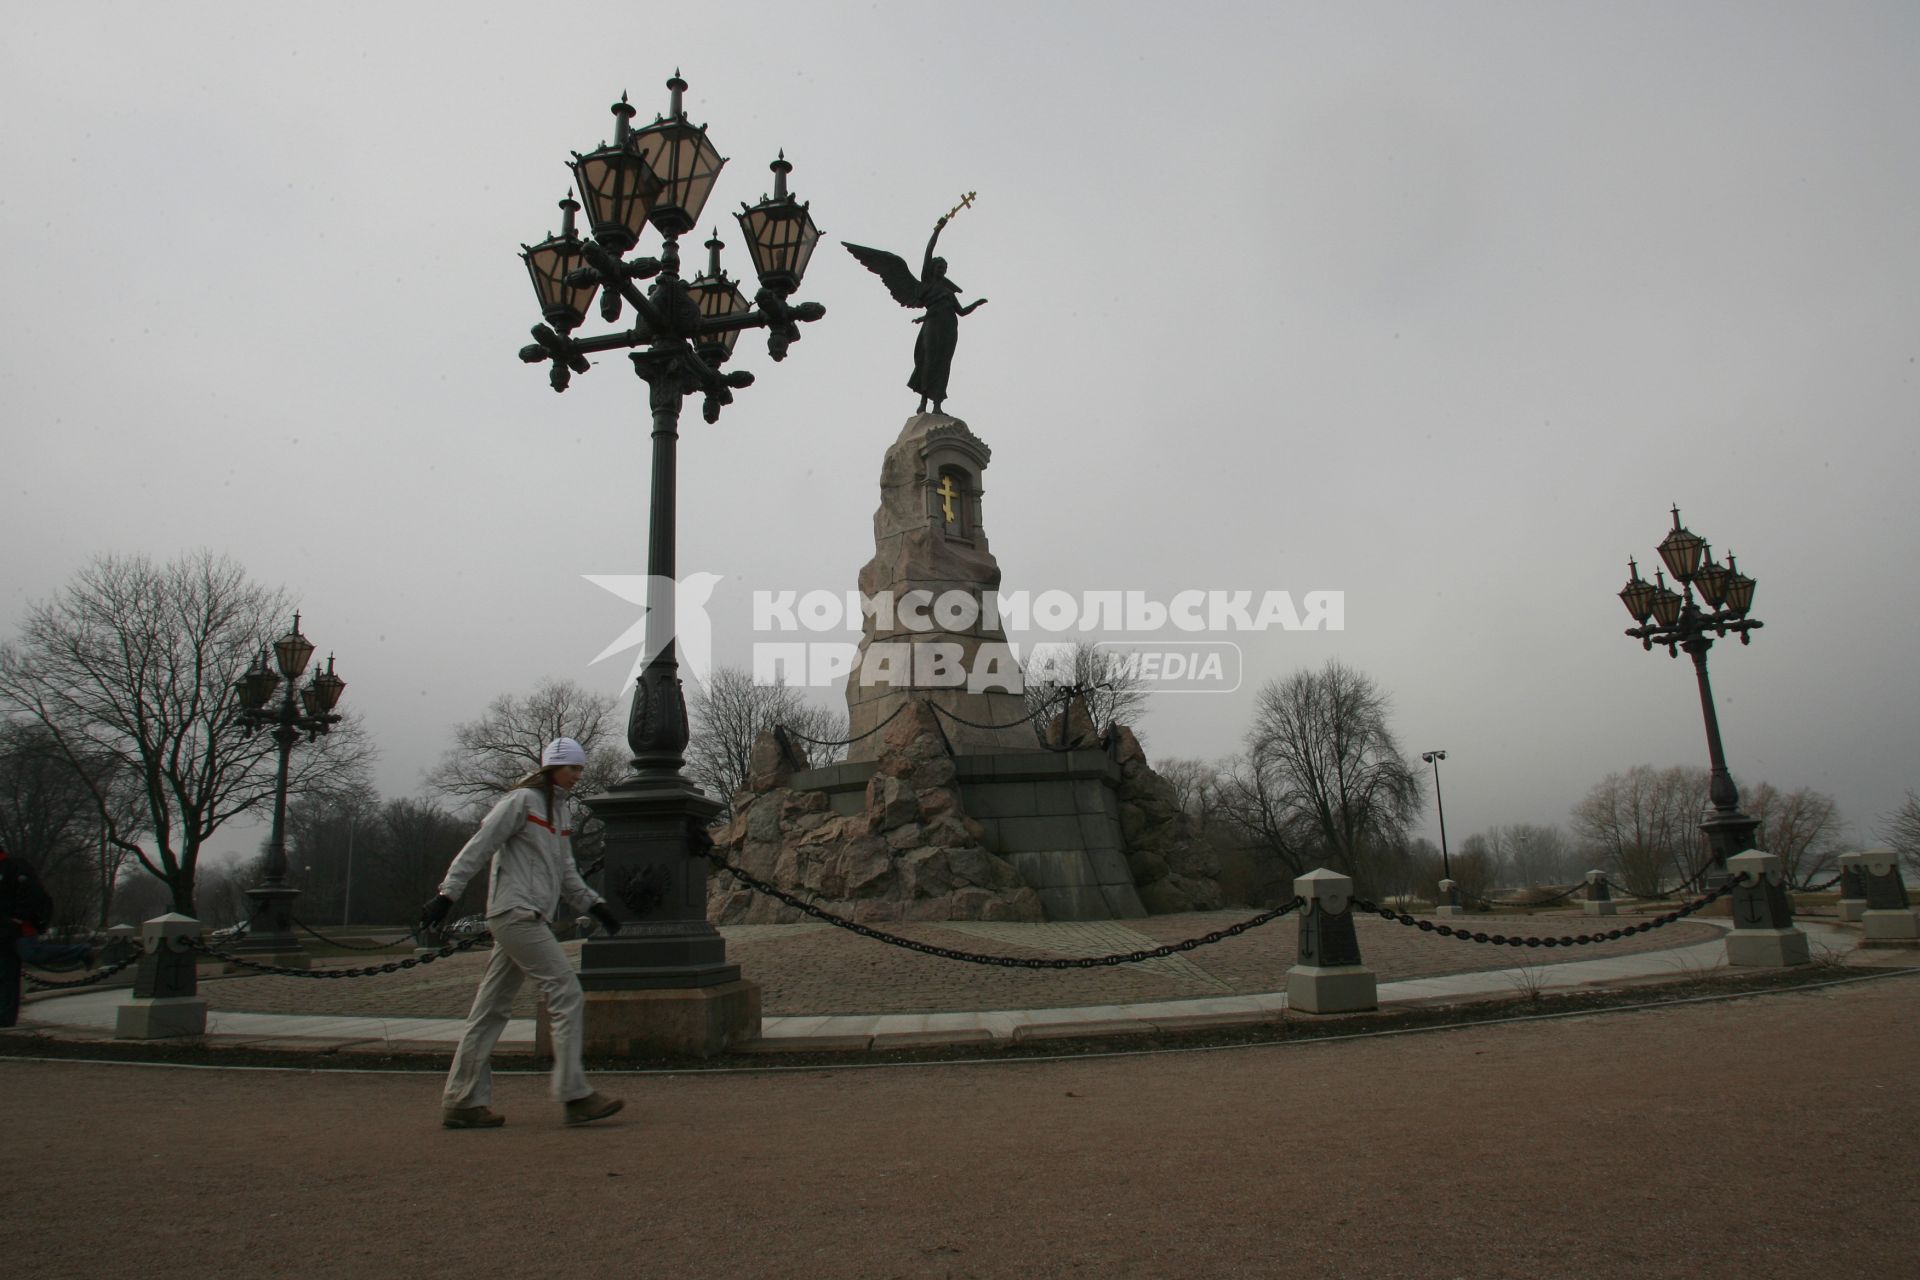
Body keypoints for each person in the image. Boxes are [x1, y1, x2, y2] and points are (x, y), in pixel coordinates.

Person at [421, 738, 624, 1128]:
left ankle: (462, 1100)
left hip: (526, 915)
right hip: (516, 914)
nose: (577, 776)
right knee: (566, 993)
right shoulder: (520, 803)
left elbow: (565, 872)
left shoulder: (558, 814)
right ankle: (574, 1094)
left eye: (580, 769)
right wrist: (447, 894)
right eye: (572, 769)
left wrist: (594, 905)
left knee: (490, 1010)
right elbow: (479, 846)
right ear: (552, 768)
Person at [2, 845, 92, 1028]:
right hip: (3, 932)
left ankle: (80, 951)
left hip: (20, 929)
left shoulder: (15, 867)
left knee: (32, 954)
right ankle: (5, 1018)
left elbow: (33, 893)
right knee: (6, 975)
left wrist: (19, 917)